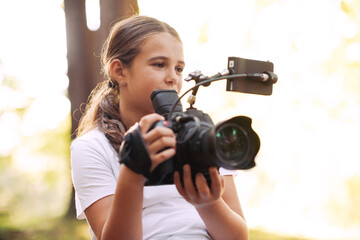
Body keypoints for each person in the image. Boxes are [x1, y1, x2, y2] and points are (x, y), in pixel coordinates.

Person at [71, 15, 248, 240]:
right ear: (119, 71)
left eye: (179, 68)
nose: (173, 78)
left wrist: (207, 202)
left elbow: (238, 237)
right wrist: (133, 172)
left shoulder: (201, 136)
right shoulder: (91, 147)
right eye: (159, 64)